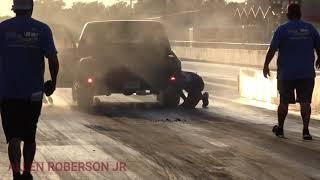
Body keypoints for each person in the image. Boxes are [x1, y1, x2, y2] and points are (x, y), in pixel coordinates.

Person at [0, 0, 59, 179]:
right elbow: (53, 60)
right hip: (33, 93)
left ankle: (16, 174)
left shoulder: (2, 29)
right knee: (30, 135)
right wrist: (53, 82)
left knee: (13, 137)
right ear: (31, 8)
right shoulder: (42, 29)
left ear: (14, 9)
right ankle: (27, 173)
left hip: (7, 92)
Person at [263, 3, 320, 140]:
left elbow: (272, 49)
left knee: (283, 102)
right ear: (300, 13)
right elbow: (319, 47)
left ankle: (281, 129)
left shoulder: (282, 29)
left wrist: (265, 65)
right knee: (305, 102)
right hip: (306, 73)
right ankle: (305, 131)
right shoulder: (310, 28)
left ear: (287, 14)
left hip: (286, 73)